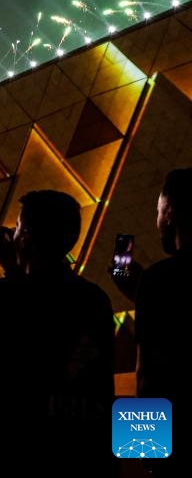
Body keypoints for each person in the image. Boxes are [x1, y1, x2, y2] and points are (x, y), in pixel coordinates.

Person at [0, 190, 116, 477]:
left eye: (17, 228)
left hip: (11, 449)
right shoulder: (95, 299)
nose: (12, 235)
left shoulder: (6, 296)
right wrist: (15, 270)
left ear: (26, 236)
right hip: (78, 452)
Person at [134, 167, 192, 475]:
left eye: (158, 211)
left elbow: (148, 373)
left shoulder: (159, 280)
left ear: (170, 212)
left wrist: (142, 447)